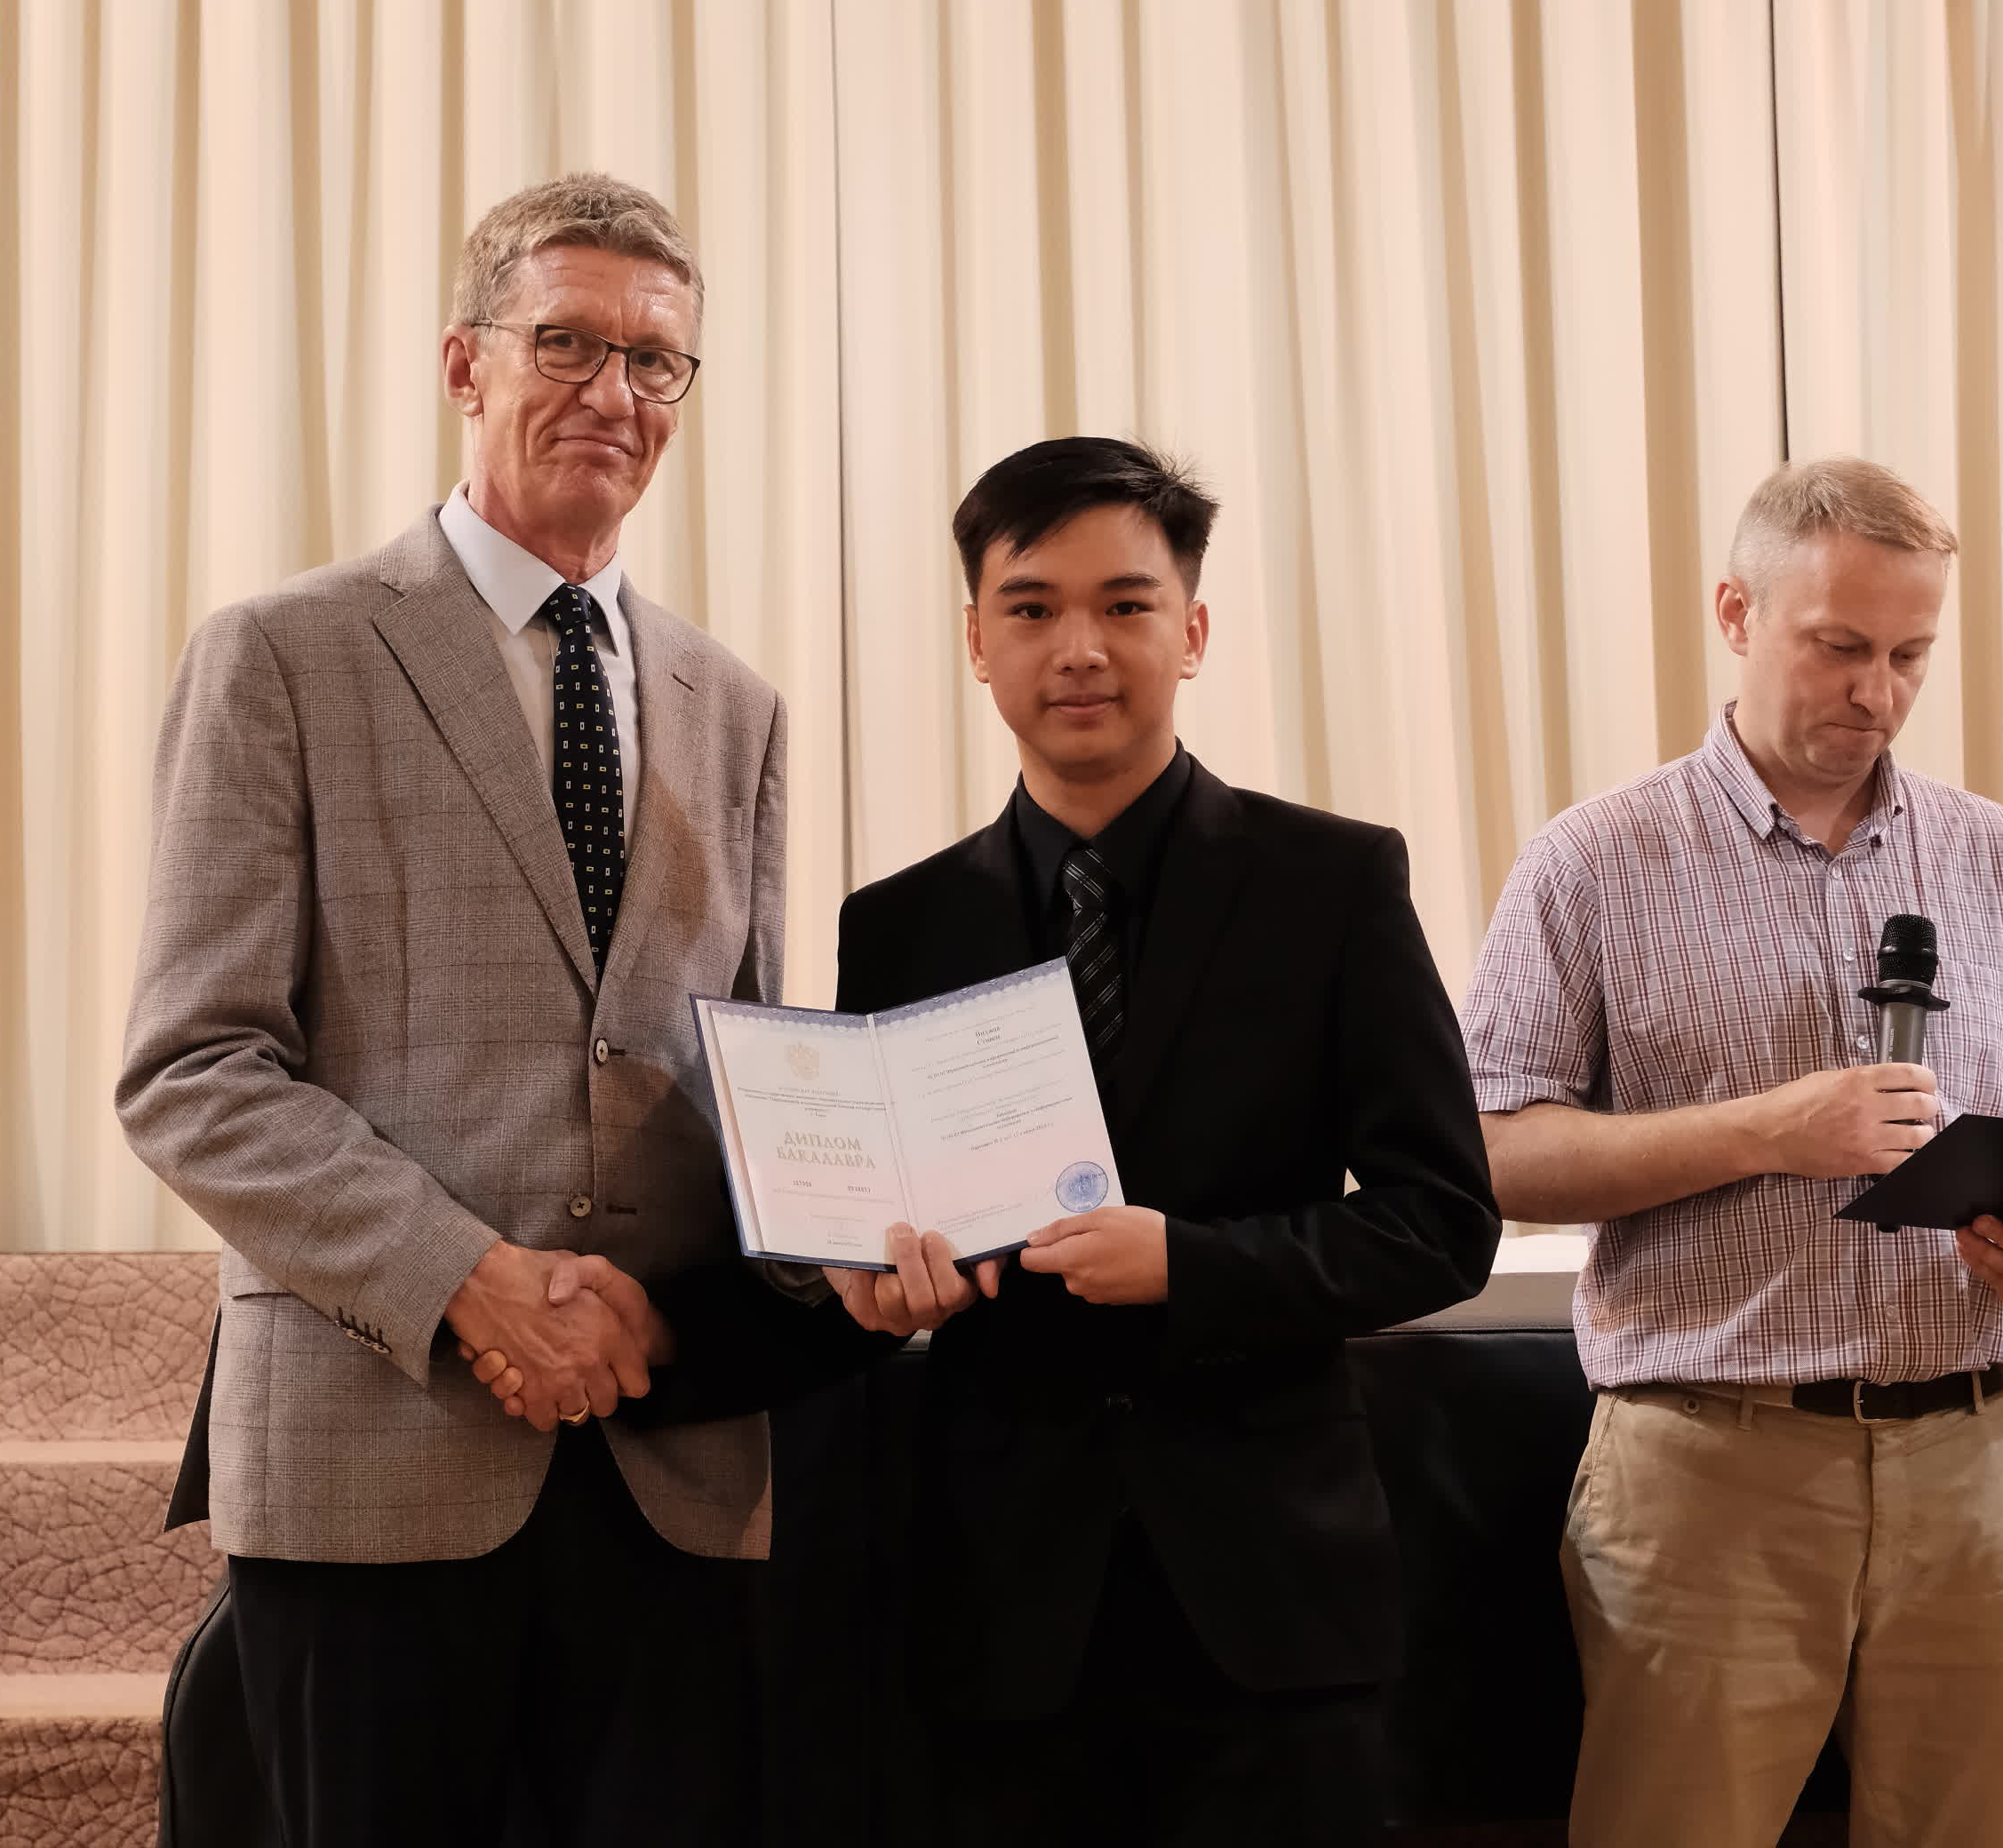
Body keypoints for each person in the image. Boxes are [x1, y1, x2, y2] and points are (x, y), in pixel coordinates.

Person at [119, 172, 858, 1848]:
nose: (615, 393)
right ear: (466, 363)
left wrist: (847, 1241)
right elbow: (193, 1069)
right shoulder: (285, 653)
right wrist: (472, 1281)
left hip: (670, 1468)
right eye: (568, 343)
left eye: (655, 361)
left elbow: (738, 1082)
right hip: (376, 1461)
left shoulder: (736, 706)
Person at [824, 435, 1502, 1846]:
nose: (1079, 648)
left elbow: (1441, 1222)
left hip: (1275, 1601)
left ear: (1191, 632)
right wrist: (875, 1285)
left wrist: (1192, 1265)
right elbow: (874, 1231)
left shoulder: (1333, 882)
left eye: (1125, 606)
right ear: (977, 642)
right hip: (1001, 1607)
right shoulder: (897, 927)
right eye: (1031, 608)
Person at [1461, 456, 2003, 1848]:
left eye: (1909, 655)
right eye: (1839, 645)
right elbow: (1494, 1149)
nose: (1876, 692)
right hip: (1710, 1467)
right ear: (1736, 613)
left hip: (1978, 1457)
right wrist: (1770, 1131)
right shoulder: (1593, 863)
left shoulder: (2002, 862)